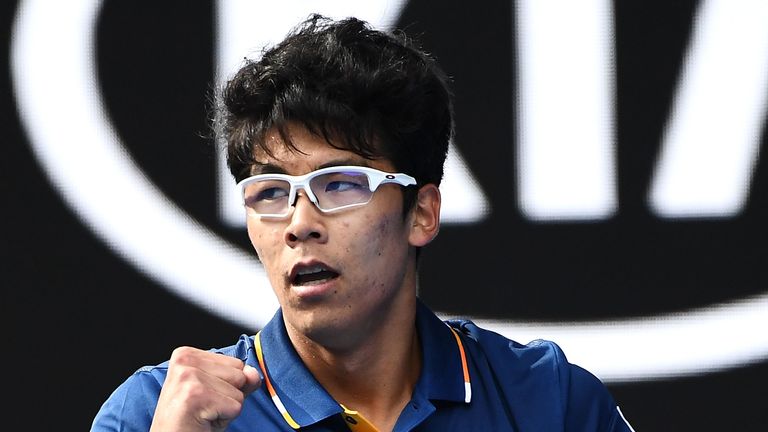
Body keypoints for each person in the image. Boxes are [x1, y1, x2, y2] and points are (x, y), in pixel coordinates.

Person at [91, 13, 635, 432]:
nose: (300, 223)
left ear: (421, 213)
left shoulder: (546, 401)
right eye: (271, 192)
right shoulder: (154, 413)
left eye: (340, 185)